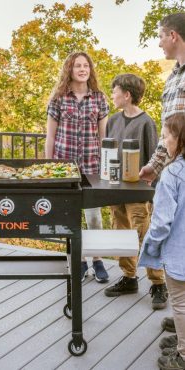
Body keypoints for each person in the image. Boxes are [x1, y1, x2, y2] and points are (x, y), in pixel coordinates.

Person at [103, 74, 168, 309]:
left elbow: (155, 158)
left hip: (139, 192)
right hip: (115, 189)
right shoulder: (112, 121)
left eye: (115, 91)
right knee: (120, 233)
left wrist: (152, 193)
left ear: (127, 95)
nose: (112, 95)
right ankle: (129, 278)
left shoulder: (146, 123)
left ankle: (158, 283)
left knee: (145, 235)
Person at [139, 12, 185, 338]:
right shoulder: (172, 79)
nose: (158, 42)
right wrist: (154, 167)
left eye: (160, 35)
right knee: (176, 251)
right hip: (172, 172)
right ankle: (181, 317)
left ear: (173, 36)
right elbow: (168, 132)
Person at [45, 51, 109, 283]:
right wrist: (50, 168)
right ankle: (78, 261)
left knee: (94, 218)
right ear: (69, 70)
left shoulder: (99, 99)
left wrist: (106, 167)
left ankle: (97, 260)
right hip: (65, 167)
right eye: (77, 66)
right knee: (70, 217)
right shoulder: (59, 99)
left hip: (92, 165)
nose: (83, 69)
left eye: (86, 66)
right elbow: (50, 138)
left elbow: (104, 138)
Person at [138, 113, 185, 370]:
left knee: (180, 303)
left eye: (165, 136)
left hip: (179, 253)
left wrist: (152, 245)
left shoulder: (172, 174)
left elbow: (161, 222)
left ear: (178, 139)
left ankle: (183, 355)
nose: (163, 142)